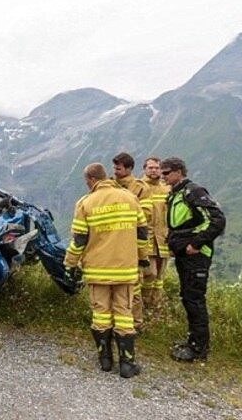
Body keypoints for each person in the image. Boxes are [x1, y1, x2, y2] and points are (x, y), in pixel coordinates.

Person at [64, 162, 149, 378]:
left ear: (91, 180)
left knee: (100, 314)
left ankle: (105, 360)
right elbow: (141, 234)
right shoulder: (130, 198)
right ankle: (127, 364)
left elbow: (79, 240)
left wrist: (70, 263)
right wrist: (142, 258)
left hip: (98, 270)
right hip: (125, 269)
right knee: (124, 313)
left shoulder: (86, 203)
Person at [160, 157, 226, 362]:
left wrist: (195, 244)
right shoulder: (175, 193)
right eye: (162, 172)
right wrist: (174, 245)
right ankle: (194, 342)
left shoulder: (194, 191)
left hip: (197, 257)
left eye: (167, 172)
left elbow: (217, 220)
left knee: (194, 299)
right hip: (184, 255)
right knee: (188, 298)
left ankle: (198, 348)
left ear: (179, 172)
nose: (163, 176)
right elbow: (180, 225)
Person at [112, 152, 153, 332]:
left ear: (128, 169)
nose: (115, 171)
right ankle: (115, 320)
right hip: (112, 241)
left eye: (118, 168)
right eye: (114, 168)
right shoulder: (109, 185)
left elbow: (147, 215)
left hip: (132, 243)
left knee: (133, 286)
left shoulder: (140, 188)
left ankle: (136, 323)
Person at [141, 157, 171, 307]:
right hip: (147, 239)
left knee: (159, 276)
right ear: (145, 169)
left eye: (157, 168)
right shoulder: (140, 187)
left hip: (163, 238)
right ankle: (144, 302)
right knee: (149, 273)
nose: (154, 170)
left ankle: (155, 304)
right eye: (150, 168)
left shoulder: (167, 189)